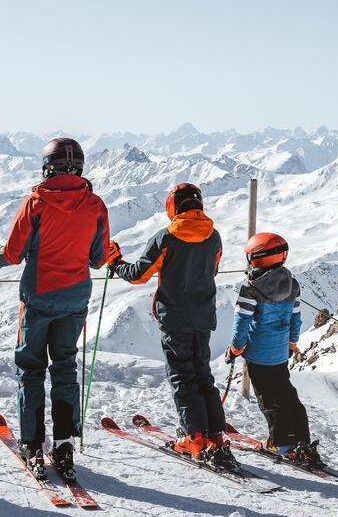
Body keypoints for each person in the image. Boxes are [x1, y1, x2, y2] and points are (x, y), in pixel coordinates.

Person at [0, 136, 113, 483]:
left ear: (47, 167)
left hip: (38, 300)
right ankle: (65, 446)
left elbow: (10, 254)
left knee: (31, 370)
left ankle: (33, 445)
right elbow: (98, 259)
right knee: (65, 369)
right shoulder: (95, 205)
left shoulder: (36, 202)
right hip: (75, 300)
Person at [109, 182, 232, 469]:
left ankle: (195, 437)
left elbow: (139, 275)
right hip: (204, 317)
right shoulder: (214, 237)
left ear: (173, 207)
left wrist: (115, 262)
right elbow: (211, 270)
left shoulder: (165, 238)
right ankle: (215, 435)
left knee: (182, 377)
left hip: (175, 317)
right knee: (203, 375)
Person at [228, 232, 323, 469]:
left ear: (257, 258)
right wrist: (291, 342)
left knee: (270, 400)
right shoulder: (292, 284)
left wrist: (236, 347)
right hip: (280, 351)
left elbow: (242, 322)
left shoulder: (250, 289)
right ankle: (301, 440)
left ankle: (280, 443)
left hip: (259, 353)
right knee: (287, 395)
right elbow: (295, 318)